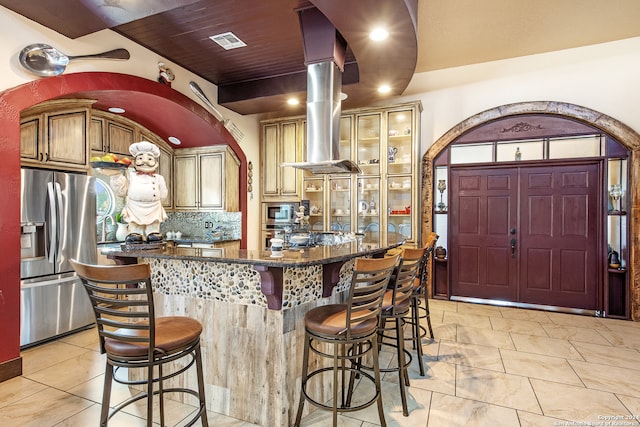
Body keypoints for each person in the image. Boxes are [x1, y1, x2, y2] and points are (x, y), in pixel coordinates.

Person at [110, 141, 168, 243]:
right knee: (135, 227)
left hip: (154, 207)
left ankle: (153, 233)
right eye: (140, 158)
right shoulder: (130, 176)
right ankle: (136, 234)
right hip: (134, 208)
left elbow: (163, 194)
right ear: (134, 162)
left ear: (156, 163)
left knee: (153, 228)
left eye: (150, 159)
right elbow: (121, 191)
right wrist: (116, 176)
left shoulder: (159, 178)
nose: (145, 161)